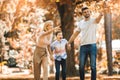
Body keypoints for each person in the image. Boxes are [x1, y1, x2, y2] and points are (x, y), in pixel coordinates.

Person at [67, 7, 103, 80]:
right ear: (82, 14)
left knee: (93, 66)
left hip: (92, 45)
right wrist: (68, 42)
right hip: (83, 46)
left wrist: (101, 15)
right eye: (85, 12)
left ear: (90, 12)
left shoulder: (93, 20)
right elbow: (75, 34)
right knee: (81, 66)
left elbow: (98, 20)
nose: (87, 13)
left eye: (88, 11)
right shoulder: (80, 23)